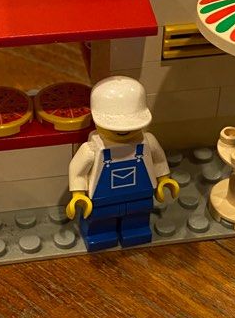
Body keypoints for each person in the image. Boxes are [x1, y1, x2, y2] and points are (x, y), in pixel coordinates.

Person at [67, 76, 179, 252]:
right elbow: (77, 171)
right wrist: (78, 194)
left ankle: (135, 231)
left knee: (137, 219)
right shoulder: (91, 149)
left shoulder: (148, 142)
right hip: (103, 200)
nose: (124, 131)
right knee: (101, 222)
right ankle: (99, 235)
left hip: (139, 195)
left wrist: (164, 179)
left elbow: (158, 160)